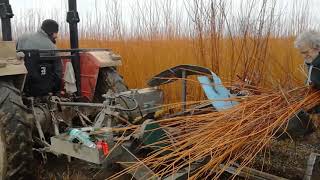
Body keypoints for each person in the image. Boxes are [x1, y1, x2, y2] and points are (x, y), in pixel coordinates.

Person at [16, 19, 62, 96]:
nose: (56, 36)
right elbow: (58, 72)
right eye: (56, 33)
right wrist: (56, 90)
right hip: (45, 89)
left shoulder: (22, 38)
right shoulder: (52, 46)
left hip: (23, 86)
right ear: (51, 32)